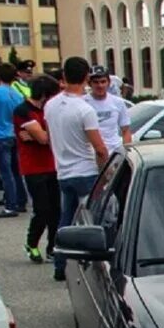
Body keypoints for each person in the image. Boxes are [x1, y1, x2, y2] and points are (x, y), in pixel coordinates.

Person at [46, 56, 109, 282]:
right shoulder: (85, 109)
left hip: (63, 171)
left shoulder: (51, 105)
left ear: (63, 76)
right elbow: (99, 148)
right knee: (93, 222)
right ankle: (95, 270)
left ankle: (59, 265)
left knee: (66, 220)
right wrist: (106, 171)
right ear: (86, 78)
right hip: (85, 171)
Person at [14, 74, 61, 262]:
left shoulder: (48, 110)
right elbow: (43, 138)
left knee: (56, 209)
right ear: (43, 95)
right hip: (33, 167)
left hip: (53, 165)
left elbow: (46, 136)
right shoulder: (23, 110)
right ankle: (32, 243)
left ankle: (52, 247)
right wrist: (43, 136)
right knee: (42, 209)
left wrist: (38, 136)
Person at [0, 62, 26, 218]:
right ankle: (21, 200)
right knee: (16, 170)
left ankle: (10, 205)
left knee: (5, 172)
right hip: (14, 133)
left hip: (0, 134)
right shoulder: (17, 94)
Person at [85, 65, 131, 155]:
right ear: (89, 83)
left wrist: (126, 152)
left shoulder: (118, 102)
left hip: (114, 154)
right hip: (91, 156)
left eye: (103, 82)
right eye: (96, 82)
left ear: (109, 83)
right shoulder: (83, 103)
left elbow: (126, 130)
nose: (100, 85)